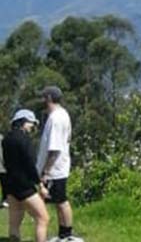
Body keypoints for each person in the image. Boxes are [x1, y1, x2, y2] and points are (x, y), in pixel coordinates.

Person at [2, 109, 50, 242]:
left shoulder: (6, 139)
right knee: (43, 218)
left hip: (10, 185)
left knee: (14, 223)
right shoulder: (24, 140)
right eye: (31, 123)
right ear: (23, 122)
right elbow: (30, 165)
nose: (32, 127)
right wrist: (40, 185)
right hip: (25, 186)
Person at [36, 87, 76, 242]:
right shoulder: (60, 115)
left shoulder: (56, 118)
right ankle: (63, 233)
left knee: (61, 201)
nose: (42, 101)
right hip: (58, 167)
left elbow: (54, 148)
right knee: (59, 202)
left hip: (55, 169)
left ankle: (67, 234)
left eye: (43, 97)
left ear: (49, 98)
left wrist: (46, 171)